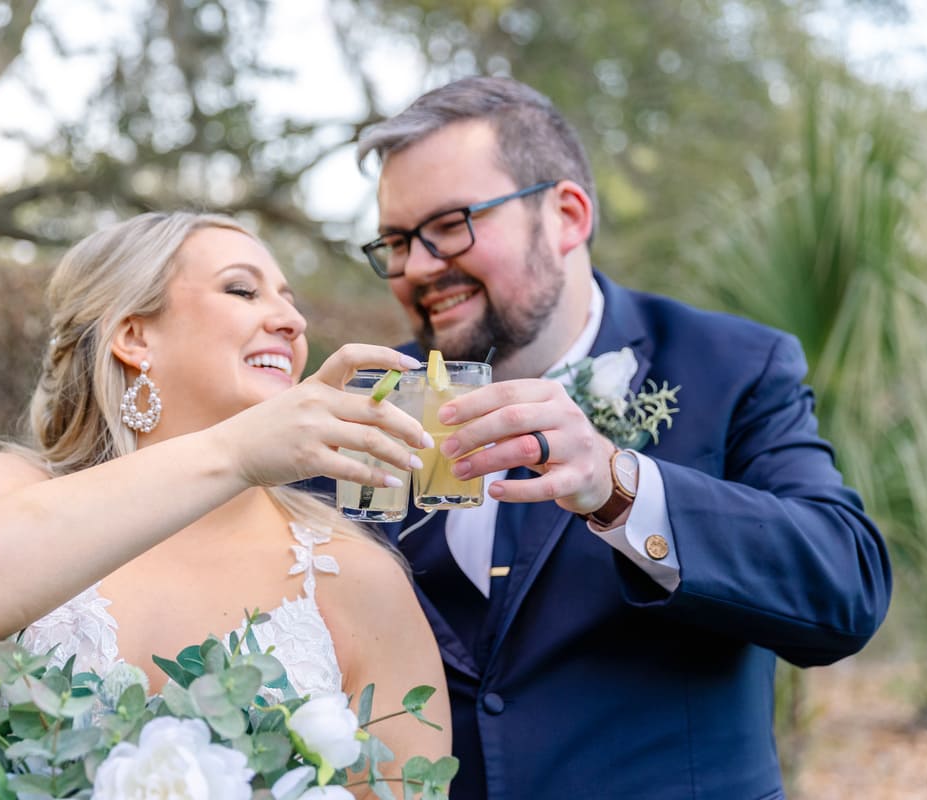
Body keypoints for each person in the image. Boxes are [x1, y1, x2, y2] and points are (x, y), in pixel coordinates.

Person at [354, 76, 891, 799]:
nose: (417, 266)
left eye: (450, 226)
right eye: (395, 241)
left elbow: (845, 587)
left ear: (567, 215)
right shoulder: (368, 403)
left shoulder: (733, 367)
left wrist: (621, 488)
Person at [0, 211, 452, 782]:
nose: (291, 321)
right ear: (133, 335)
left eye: (290, 300)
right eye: (243, 289)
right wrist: (233, 453)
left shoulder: (354, 573)